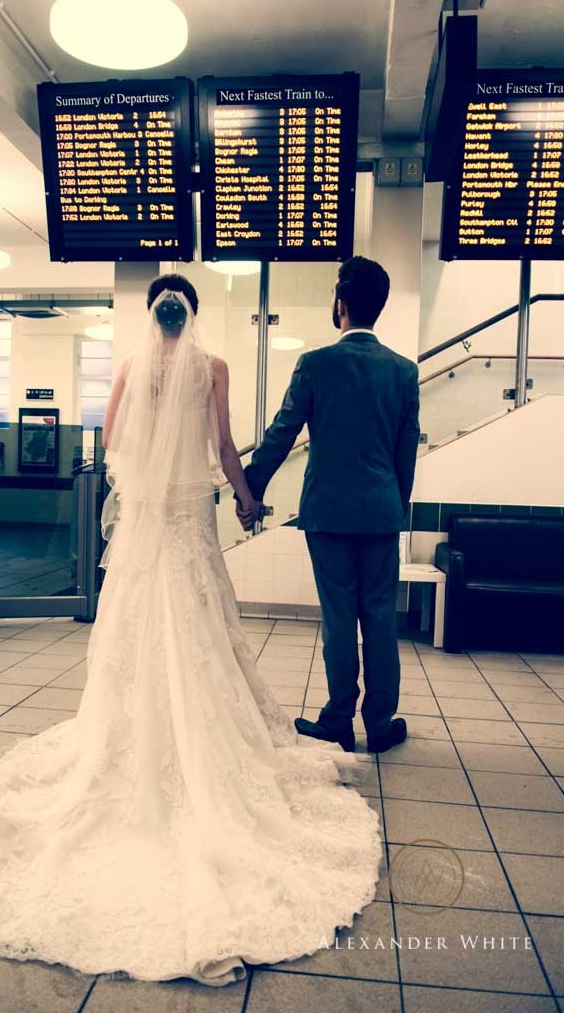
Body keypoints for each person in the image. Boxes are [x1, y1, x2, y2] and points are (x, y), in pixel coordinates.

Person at [0, 273, 382, 988]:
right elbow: (224, 447)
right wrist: (247, 498)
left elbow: (113, 440)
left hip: (146, 519)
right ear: (192, 314)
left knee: (137, 625)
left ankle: (126, 735)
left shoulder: (134, 368)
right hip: (190, 515)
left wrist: (145, 475)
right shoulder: (214, 367)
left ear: (151, 315)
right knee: (200, 623)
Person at [241, 257, 420, 755]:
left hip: (328, 512)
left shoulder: (315, 364)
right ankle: (380, 724)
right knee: (380, 616)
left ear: (340, 303)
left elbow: (282, 432)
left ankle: (338, 718)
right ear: (378, 307)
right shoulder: (404, 372)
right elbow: (406, 452)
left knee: (339, 616)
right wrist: (394, 506)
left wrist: (251, 489)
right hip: (382, 513)